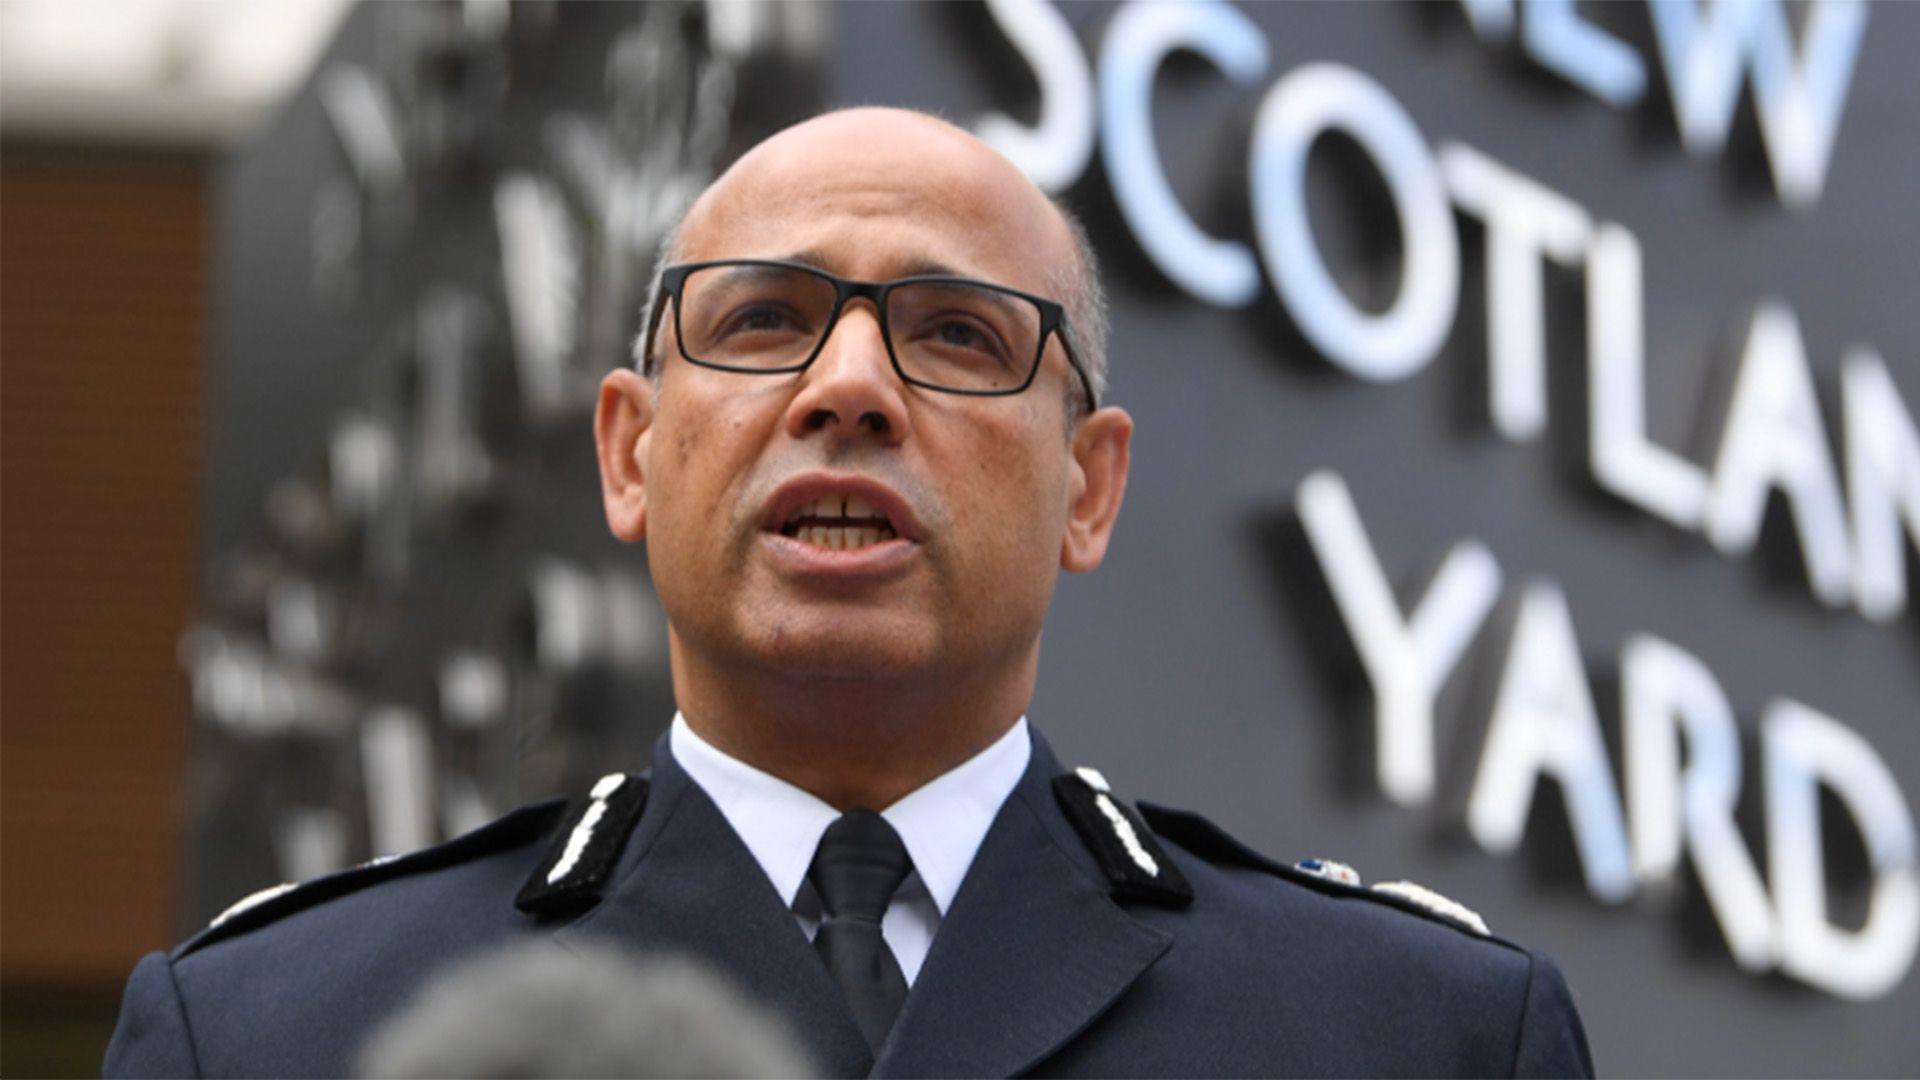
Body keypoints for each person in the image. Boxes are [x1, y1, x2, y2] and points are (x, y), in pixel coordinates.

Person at [105, 107, 1594, 1078]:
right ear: (629, 455)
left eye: (955, 333)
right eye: (765, 319)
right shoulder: (273, 1034)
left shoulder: (1415, 1034)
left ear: (1089, 486)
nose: (851, 389)